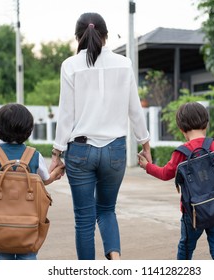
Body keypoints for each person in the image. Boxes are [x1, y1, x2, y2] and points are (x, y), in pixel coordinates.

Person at [48, 12, 151, 260]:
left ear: (77, 37)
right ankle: (115, 260)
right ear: (105, 36)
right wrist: (145, 143)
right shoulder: (124, 63)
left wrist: (56, 153)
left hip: (81, 152)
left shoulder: (70, 66)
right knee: (107, 210)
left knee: (84, 219)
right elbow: (134, 108)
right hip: (115, 151)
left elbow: (66, 114)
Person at [138, 102, 214, 260]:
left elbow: (165, 173)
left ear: (181, 129)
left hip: (193, 212)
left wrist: (147, 166)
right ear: (206, 124)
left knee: (186, 247)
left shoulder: (182, 152)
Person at [0, 103, 63, 260]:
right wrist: (56, 172)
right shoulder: (34, 155)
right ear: (29, 130)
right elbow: (45, 180)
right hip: (29, 229)